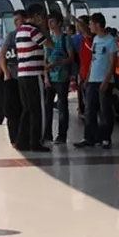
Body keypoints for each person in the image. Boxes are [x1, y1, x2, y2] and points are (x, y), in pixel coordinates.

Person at [75, 12, 119, 149]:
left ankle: (106, 138)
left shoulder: (111, 41)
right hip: (92, 80)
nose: (89, 26)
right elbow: (94, 61)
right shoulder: (96, 40)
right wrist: (87, 78)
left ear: (97, 25)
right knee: (89, 110)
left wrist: (106, 81)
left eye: (91, 24)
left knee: (105, 110)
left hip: (104, 80)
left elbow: (113, 63)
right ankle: (89, 137)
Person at [15, 4, 54, 152]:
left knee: (27, 109)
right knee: (37, 109)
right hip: (33, 74)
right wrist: (43, 28)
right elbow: (50, 44)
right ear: (37, 16)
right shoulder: (33, 31)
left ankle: (22, 140)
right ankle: (35, 142)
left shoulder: (20, 31)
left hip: (22, 74)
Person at [44, 12, 75, 143]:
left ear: (59, 23)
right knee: (47, 106)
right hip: (50, 77)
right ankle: (47, 133)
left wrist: (58, 63)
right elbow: (44, 59)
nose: (50, 25)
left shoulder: (65, 38)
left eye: (53, 22)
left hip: (62, 76)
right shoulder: (47, 39)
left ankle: (62, 135)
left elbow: (71, 57)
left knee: (62, 106)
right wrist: (46, 76)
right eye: (49, 22)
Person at [0, 10, 24, 146]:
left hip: (25, 77)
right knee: (11, 110)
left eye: (18, 20)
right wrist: (6, 73)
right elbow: (2, 55)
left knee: (24, 108)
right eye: (14, 21)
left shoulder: (30, 34)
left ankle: (23, 137)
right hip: (12, 78)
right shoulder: (11, 36)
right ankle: (14, 138)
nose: (16, 23)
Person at [76, 15, 94, 119]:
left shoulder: (90, 39)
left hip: (90, 74)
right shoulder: (82, 40)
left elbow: (86, 31)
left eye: (80, 24)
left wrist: (76, 20)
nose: (78, 27)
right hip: (83, 72)